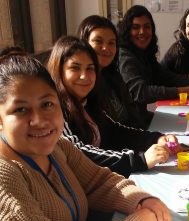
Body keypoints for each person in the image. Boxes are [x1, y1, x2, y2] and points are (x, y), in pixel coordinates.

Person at [0, 54, 171, 221]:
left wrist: (141, 200)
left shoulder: (58, 147)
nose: (39, 120)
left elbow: (99, 182)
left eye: (47, 104)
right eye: (21, 109)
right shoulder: (4, 174)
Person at [47, 36, 180, 178]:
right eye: (75, 68)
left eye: (90, 68)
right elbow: (78, 153)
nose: (84, 76)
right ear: (59, 70)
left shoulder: (86, 102)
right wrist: (140, 160)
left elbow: (115, 131)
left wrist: (156, 138)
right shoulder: (55, 109)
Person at [118, 5, 189, 128]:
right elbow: (140, 93)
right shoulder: (125, 56)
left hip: (141, 116)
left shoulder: (144, 53)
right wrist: (185, 91)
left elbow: (164, 76)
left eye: (147, 27)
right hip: (129, 126)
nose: (142, 32)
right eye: (136, 27)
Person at [78, 15, 146, 129]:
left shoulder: (112, 75)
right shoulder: (83, 85)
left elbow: (133, 114)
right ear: (84, 43)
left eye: (111, 43)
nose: (106, 48)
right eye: (98, 41)